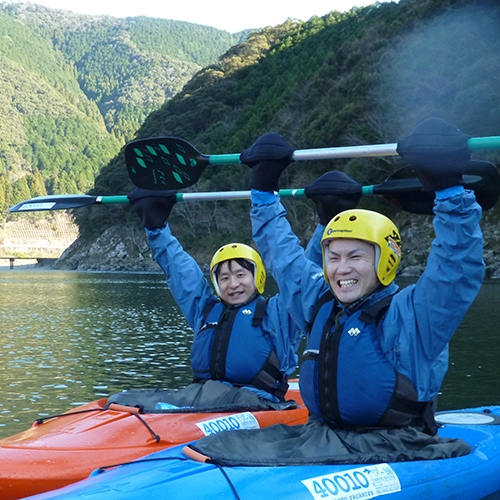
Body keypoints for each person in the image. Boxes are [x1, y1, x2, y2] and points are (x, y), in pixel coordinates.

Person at [184, 117, 486, 465]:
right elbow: (281, 253)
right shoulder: (318, 301)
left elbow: (456, 266)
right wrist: (263, 188)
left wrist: (448, 191)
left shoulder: (414, 314)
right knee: (212, 449)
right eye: (333, 256)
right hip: (320, 435)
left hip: (396, 444)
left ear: (385, 260)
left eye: (356, 256)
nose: (341, 268)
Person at [106, 165, 357, 413]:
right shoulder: (205, 310)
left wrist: (328, 222)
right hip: (202, 397)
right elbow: (181, 272)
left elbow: (302, 272)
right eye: (224, 278)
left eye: (240, 274)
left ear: (257, 277)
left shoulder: (281, 313)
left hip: (256, 404)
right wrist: (155, 226)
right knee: (119, 400)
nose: (233, 284)